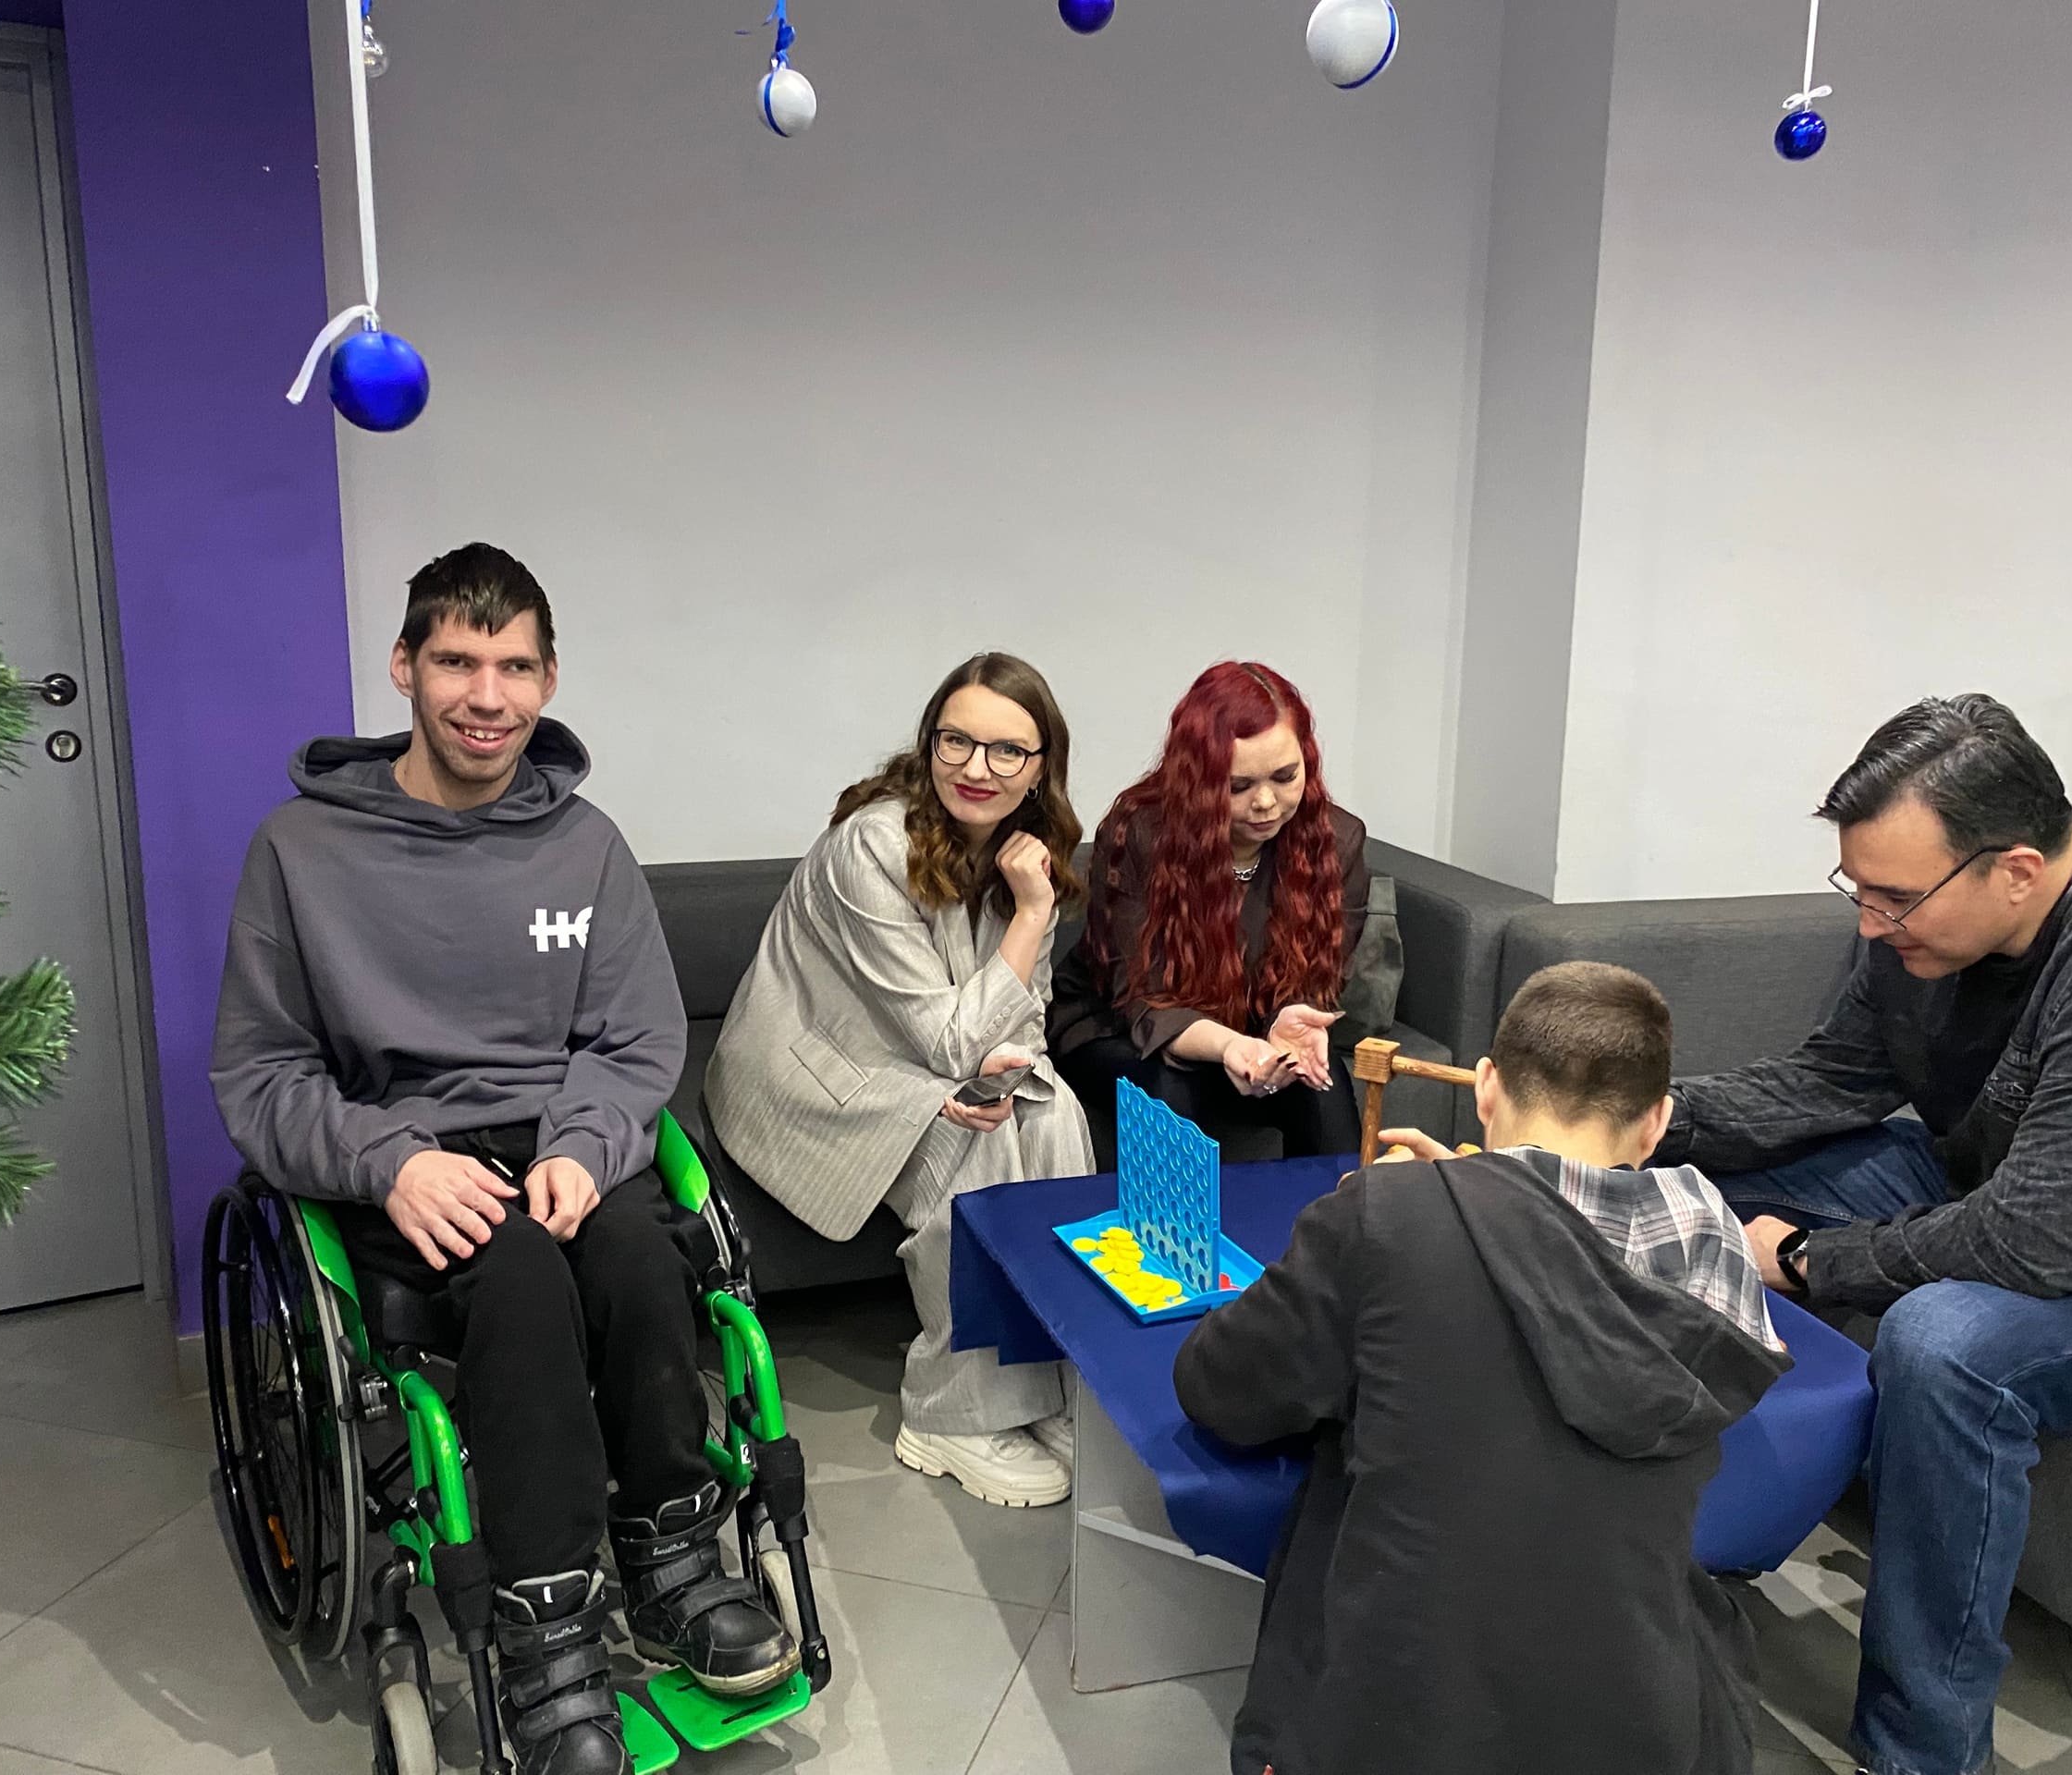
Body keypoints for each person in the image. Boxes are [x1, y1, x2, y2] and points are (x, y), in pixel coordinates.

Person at [210, 545, 795, 1775]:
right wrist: (388, 1162)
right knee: (520, 1277)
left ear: (549, 677)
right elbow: (261, 1074)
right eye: (458, 662)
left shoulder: (583, 844)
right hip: (403, 1156)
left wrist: (586, 1145)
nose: (488, 696)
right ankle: (547, 1622)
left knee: (641, 1256)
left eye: (515, 667)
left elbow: (636, 1040)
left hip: (559, 1137)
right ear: (404, 667)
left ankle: (671, 1554)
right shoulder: (301, 850)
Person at [1649, 693, 2072, 1775]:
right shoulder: (1924, 922)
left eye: (1894, 900)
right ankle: (1659, 1517)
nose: (1869, 926)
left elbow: (2039, 1242)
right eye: (1857, 891)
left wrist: (1805, 1259)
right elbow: (1832, 1080)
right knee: (1678, 1176)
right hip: (1993, 1183)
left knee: (1944, 1346)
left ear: (2017, 871)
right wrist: (1638, 1116)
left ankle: (1922, 1753)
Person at [1176, 961, 1790, 1775]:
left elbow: (1220, 1389)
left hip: (1393, 1716)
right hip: (1640, 1712)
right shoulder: (1716, 1236)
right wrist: (1473, 1197)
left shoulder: (1389, 1215)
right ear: (1656, 1122)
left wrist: (1419, 1204)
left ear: (1488, 1088)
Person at [705, 654, 1095, 1508]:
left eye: (1007, 750)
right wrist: (1033, 915)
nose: (977, 768)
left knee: (1053, 1112)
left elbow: (1024, 1019)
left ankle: (1045, 1385)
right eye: (957, 741)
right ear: (929, 742)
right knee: (971, 1145)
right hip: (822, 1081)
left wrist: (1010, 1073)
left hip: (931, 1054)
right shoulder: (873, 846)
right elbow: (946, 1039)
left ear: (1040, 769)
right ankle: (952, 1416)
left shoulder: (1028, 852)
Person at [1050, 661, 1367, 1163]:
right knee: (1171, 1089)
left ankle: (1341, 1215)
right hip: (1119, 1028)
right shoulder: (1140, 833)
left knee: (1322, 1088)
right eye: (1238, 786)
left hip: (1256, 1037)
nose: (1266, 803)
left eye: (1286, 777)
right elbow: (1142, 998)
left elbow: (1318, 982)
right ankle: (1164, 1219)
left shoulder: (1335, 842)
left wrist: (1288, 1024)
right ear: (1198, 779)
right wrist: (1228, 1047)